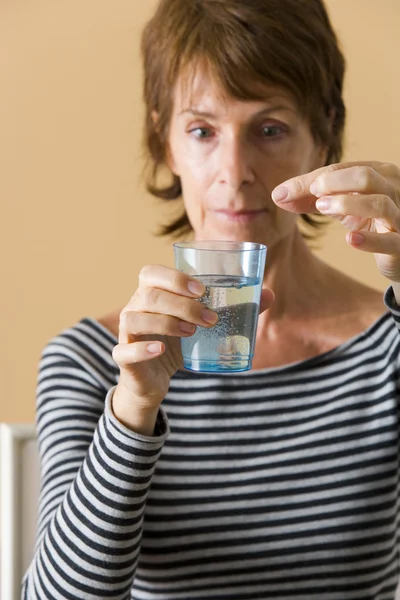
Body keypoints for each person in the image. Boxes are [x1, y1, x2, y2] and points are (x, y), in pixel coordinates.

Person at [22, 0, 400, 598]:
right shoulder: (90, 360)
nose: (235, 171)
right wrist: (135, 405)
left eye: (269, 129)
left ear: (324, 133)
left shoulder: (388, 343)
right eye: (202, 130)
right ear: (165, 141)